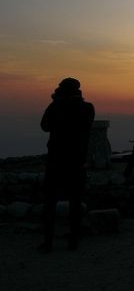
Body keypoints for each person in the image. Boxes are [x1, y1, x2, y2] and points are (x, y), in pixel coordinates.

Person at [40, 77, 95, 252]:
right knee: (75, 203)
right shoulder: (87, 108)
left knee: (50, 203)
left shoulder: (56, 107)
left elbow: (44, 126)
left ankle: (48, 242)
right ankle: (73, 241)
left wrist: (56, 103)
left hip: (56, 161)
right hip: (77, 162)